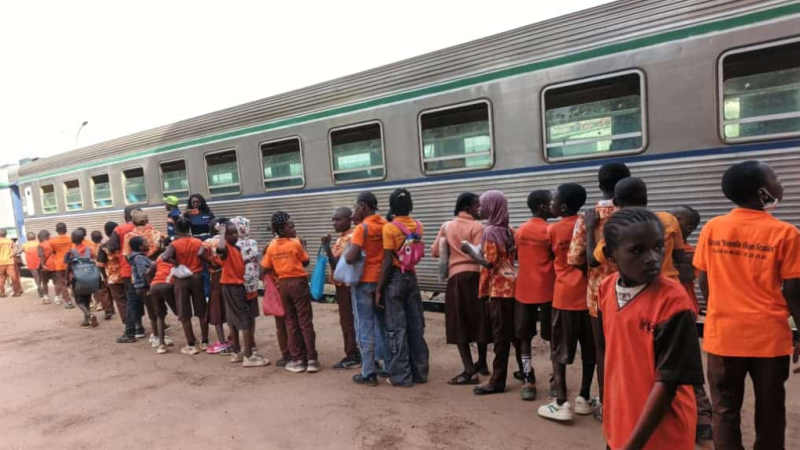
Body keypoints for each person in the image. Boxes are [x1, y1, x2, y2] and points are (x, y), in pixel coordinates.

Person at [693, 161, 800, 449]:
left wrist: (721, 310)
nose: (782, 183)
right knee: (770, 411)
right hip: (769, 338)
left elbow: (704, 281)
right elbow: (793, 290)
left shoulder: (713, 228)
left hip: (723, 336)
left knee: (725, 410)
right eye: (776, 178)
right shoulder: (786, 233)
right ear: (763, 192)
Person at [598, 207, 703, 450]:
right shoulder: (605, 289)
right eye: (637, 250)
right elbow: (610, 353)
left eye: (658, 247)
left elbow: (668, 383)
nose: (653, 257)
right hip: (622, 423)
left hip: (662, 432)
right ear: (610, 255)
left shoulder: (673, 301)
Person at [567, 161, 629, 420]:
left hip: (598, 297)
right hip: (632, 295)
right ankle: (630, 404)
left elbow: (575, 258)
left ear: (600, 185)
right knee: (630, 351)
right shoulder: (634, 214)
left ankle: (606, 405)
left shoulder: (588, 218)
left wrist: (594, 277)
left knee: (602, 350)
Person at [538, 183, 598, 421]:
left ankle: (562, 402)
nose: (550, 203)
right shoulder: (588, 223)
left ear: (562, 206)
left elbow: (551, 257)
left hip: (563, 297)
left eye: (553, 200)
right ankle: (584, 397)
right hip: (589, 297)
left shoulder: (552, 230)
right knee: (590, 350)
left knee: (559, 351)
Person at [432, 192, 490, 385]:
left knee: (459, 322)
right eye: (476, 206)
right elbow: (481, 253)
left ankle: (469, 370)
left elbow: (434, 252)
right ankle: (481, 363)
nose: (479, 209)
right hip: (476, 277)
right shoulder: (478, 226)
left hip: (456, 278)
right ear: (467, 208)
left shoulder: (447, 226)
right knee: (480, 318)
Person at [466, 190, 517, 396]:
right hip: (512, 284)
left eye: (483, 204)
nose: (480, 208)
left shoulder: (490, 231)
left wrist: (471, 252)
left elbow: (489, 262)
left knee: (499, 336)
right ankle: (524, 373)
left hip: (498, 288)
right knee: (513, 334)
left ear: (492, 207)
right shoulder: (508, 230)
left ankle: (497, 380)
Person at [377, 188, 430, 387]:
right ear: (410, 205)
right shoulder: (418, 226)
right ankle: (420, 372)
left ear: (391, 206)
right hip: (412, 277)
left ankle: (401, 376)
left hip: (395, 280)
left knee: (397, 329)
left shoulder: (389, 228)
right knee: (416, 326)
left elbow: (387, 261)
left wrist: (380, 289)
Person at [591, 178, 688, 283]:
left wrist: (590, 229)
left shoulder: (619, 229)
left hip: (637, 287)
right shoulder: (668, 219)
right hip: (669, 283)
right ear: (646, 199)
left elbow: (593, 260)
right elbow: (680, 256)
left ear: (615, 201)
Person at [670, 204, 713, 443]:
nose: (672, 222)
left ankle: (703, 415)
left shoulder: (690, 252)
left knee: (689, 365)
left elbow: (686, 275)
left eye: (678, 219)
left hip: (684, 313)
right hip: (663, 315)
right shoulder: (665, 249)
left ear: (689, 228)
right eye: (671, 217)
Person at [262, 211, 319, 373]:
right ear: (282, 230)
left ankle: (298, 359)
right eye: (291, 227)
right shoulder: (295, 243)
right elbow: (305, 261)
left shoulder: (271, 247)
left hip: (283, 285)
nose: (294, 229)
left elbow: (265, 267)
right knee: (305, 321)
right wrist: (304, 246)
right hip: (299, 284)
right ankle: (312, 359)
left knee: (290, 323)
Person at [514, 190, 555, 401]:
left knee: (524, 336)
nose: (553, 205)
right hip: (549, 290)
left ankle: (528, 380)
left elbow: (516, 256)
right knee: (554, 336)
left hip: (524, 290)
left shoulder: (520, 231)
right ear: (542, 207)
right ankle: (556, 378)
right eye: (550, 203)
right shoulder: (550, 230)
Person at [345, 192, 389, 386]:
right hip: (382, 282)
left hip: (364, 282)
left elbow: (350, 257)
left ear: (363, 206)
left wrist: (349, 252)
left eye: (356, 206)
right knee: (383, 326)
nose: (354, 210)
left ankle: (368, 371)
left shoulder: (362, 228)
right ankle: (387, 366)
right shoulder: (385, 225)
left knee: (364, 326)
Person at [218, 222, 268, 367]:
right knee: (244, 320)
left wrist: (248, 260)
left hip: (230, 286)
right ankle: (249, 356)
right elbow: (220, 249)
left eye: (235, 233)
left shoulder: (235, 248)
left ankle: (237, 352)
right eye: (230, 234)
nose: (234, 235)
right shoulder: (225, 247)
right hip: (234, 287)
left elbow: (237, 263)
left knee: (232, 320)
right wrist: (221, 233)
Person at [322, 207, 362, 370]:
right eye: (333, 219)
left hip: (346, 286)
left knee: (348, 321)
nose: (334, 223)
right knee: (353, 320)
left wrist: (326, 246)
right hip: (345, 286)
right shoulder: (345, 237)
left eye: (338, 219)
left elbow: (337, 263)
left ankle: (352, 355)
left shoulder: (348, 239)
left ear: (349, 219)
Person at [162, 217, 209, 354]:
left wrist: (175, 263)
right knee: (201, 310)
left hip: (182, 279)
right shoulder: (198, 242)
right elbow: (203, 255)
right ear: (189, 228)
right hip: (197, 277)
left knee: (184, 311)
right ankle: (205, 341)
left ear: (176, 229)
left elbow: (165, 257)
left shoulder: (175, 244)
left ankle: (191, 343)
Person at [123, 210, 164, 345]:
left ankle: (135, 329)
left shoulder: (130, 236)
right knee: (156, 305)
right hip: (155, 274)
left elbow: (126, 255)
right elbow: (164, 251)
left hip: (137, 276)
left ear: (132, 221)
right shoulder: (157, 234)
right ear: (147, 220)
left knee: (133, 302)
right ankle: (159, 330)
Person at [108, 206, 145, 338]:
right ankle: (141, 327)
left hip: (128, 269)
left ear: (125, 216)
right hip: (146, 268)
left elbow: (111, 247)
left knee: (131, 299)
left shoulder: (120, 229)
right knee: (143, 298)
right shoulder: (149, 228)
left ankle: (130, 331)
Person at [198, 218, 231, 355]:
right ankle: (233, 339)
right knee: (230, 306)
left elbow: (200, 253)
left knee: (216, 308)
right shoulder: (229, 240)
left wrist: (210, 262)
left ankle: (222, 341)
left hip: (216, 277)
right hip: (229, 274)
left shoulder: (208, 242)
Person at [64, 230, 99, 328]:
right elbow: (95, 259)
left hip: (77, 278)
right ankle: (86, 321)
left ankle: (89, 315)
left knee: (79, 301)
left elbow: (67, 265)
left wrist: (66, 279)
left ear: (73, 239)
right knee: (87, 299)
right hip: (89, 277)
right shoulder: (89, 249)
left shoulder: (71, 251)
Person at [147, 252, 176, 354]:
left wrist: (150, 286)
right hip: (168, 284)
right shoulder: (176, 257)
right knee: (181, 313)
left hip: (154, 286)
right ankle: (191, 342)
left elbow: (148, 273)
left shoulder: (160, 258)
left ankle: (161, 344)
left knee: (159, 316)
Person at [128, 236, 154, 343]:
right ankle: (156, 335)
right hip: (144, 287)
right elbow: (144, 273)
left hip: (141, 287)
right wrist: (149, 287)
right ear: (140, 246)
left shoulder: (138, 257)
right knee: (153, 311)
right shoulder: (140, 258)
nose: (148, 243)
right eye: (145, 242)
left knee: (151, 310)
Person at [96, 222, 124, 323]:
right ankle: (138, 323)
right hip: (128, 275)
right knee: (131, 299)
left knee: (121, 302)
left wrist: (105, 277)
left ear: (106, 233)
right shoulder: (125, 241)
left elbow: (100, 264)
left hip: (114, 277)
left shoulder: (104, 246)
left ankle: (129, 325)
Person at [48, 222, 75, 308]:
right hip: (71, 263)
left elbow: (53, 252)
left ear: (56, 230)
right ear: (66, 229)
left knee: (62, 283)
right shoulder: (71, 239)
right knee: (74, 280)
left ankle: (68, 301)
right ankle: (80, 298)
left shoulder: (52, 241)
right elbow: (73, 250)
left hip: (59, 264)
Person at [22, 232, 44, 302]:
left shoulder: (24, 244)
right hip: (39, 262)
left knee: (36, 276)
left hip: (31, 263)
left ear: (27, 238)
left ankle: (39, 288)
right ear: (35, 237)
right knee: (40, 276)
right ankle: (40, 287)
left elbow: (19, 251)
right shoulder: (38, 243)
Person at [0, 229, 22, 298]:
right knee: (13, 276)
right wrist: (11, 255)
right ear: (5, 234)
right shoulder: (10, 241)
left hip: (1, 262)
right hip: (10, 261)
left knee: (1, 277)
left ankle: (2, 293)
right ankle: (16, 292)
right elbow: (15, 250)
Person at [37, 230, 55, 305]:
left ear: (42, 237)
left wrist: (42, 265)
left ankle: (46, 297)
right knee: (56, 282)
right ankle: (58, 297)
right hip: (54, 264)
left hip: (45, 265)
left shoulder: (41, 245)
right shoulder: (53, 243)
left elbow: (42, 256)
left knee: (45, 282)